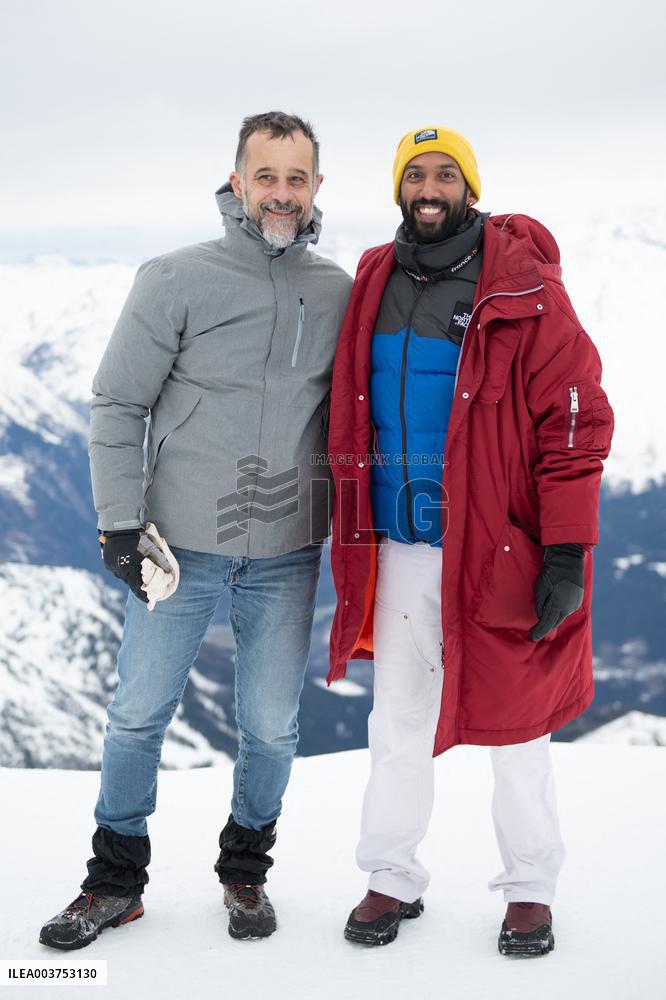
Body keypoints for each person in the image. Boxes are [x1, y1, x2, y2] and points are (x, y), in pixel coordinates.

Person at [39, 111, 352, 950]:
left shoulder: (338, 291)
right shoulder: (176, 278)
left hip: (288, 547)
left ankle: (245, 873)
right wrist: (117, 524)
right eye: (266, 177)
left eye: (297, 179)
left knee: (272, 725)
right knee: (139, 713)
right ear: (237, 181)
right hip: (177, 544)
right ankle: (114, 882)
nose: (281, 193)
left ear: (317, 188)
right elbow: (119, 404)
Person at [326, 125, 614, 956]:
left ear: (469, 186)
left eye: (444, 172)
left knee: (519, 728)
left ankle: (530, 890)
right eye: (415, 173)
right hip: (400, 545)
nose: (429, 185)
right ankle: (390, 876)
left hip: (496, 549)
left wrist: (566, 550)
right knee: (399, 723)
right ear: (396, 188)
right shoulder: (375, 275)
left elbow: (575, 423)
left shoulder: (522, 287)